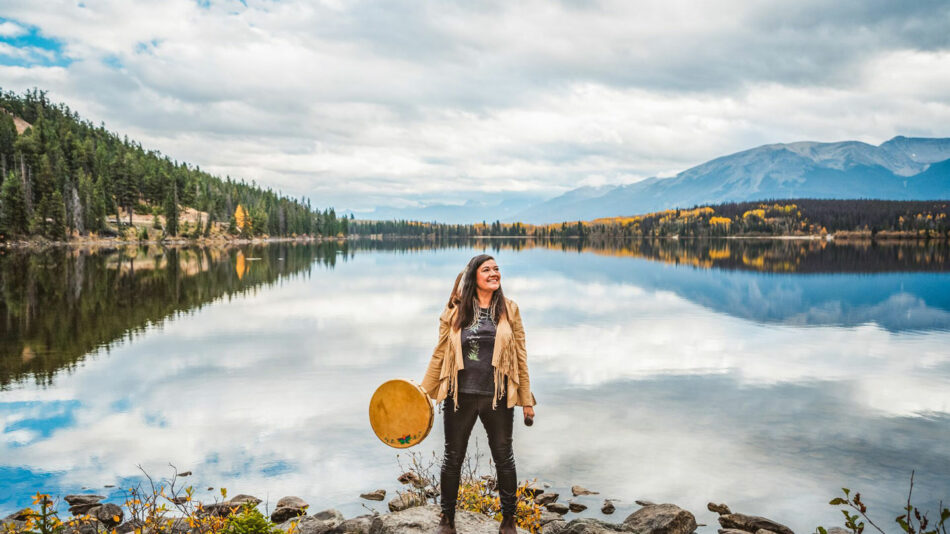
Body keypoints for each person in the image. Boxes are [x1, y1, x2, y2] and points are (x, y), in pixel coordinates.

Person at [421, 254, 536, 534]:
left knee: (504, 457)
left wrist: (526, 400)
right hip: (458, 395)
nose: (495, 273)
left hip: (496, 396)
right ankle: (447, 519)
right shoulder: (455, 311)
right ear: (474, 277)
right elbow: (440, 353)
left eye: (496, 269)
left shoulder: (510, 309)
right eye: (487, 270)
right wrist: (424, 392)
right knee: (452, 458)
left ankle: (508, 520)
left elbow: (520, 354)